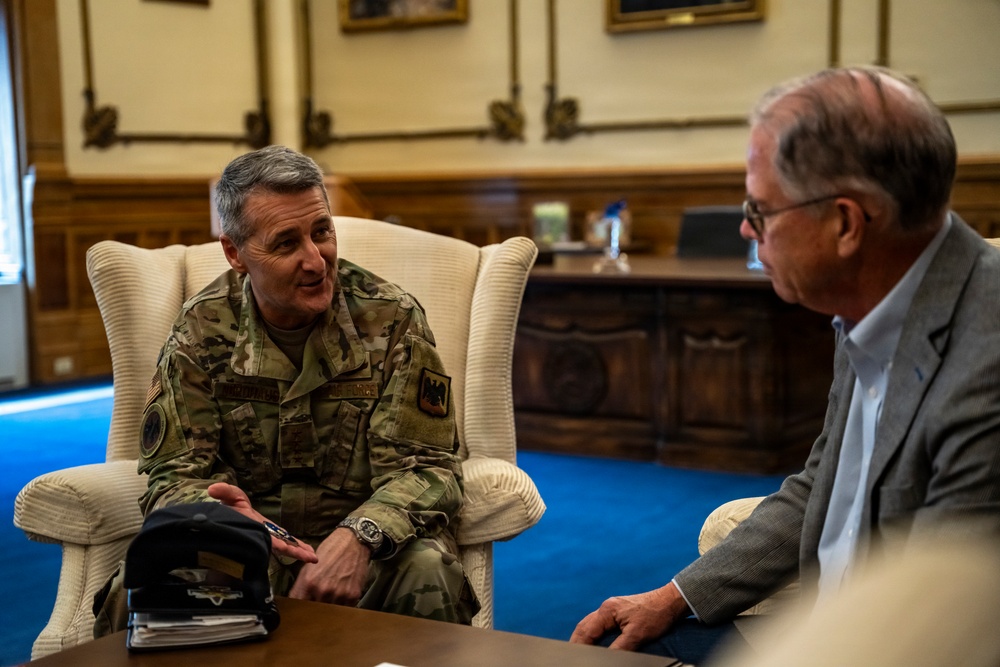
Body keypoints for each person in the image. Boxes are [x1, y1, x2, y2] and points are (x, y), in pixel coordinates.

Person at [570, 65, 1000, 664]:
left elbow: (942, 622)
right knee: (621, 649)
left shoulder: (989, 358)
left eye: (760, 209)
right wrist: (673, 596)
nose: (747, 229)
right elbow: (820, 487)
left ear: (846, 223)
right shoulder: (874, 307)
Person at [95, 145, 477, 635]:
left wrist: (360, 536)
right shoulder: (201, 328)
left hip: (370, 548)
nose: (316, 261)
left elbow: (429, 471)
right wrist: (219, 516)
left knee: (429, 573)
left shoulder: (392, 319)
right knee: (138, 582)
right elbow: (172, 476)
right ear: (235, 253)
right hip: (245, 548)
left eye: (322, 232)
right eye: (286, 243)